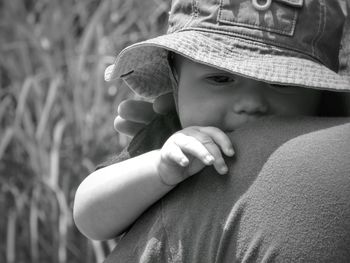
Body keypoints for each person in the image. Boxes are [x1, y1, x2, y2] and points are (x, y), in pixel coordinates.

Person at [74, 0, 350, 261]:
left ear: (320, 95)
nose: (250, 103)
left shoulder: (330, 144)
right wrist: (158, 170)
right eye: (220, 78)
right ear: (176, 80)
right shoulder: (174, 139)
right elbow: (89, 216)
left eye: (283, 83)